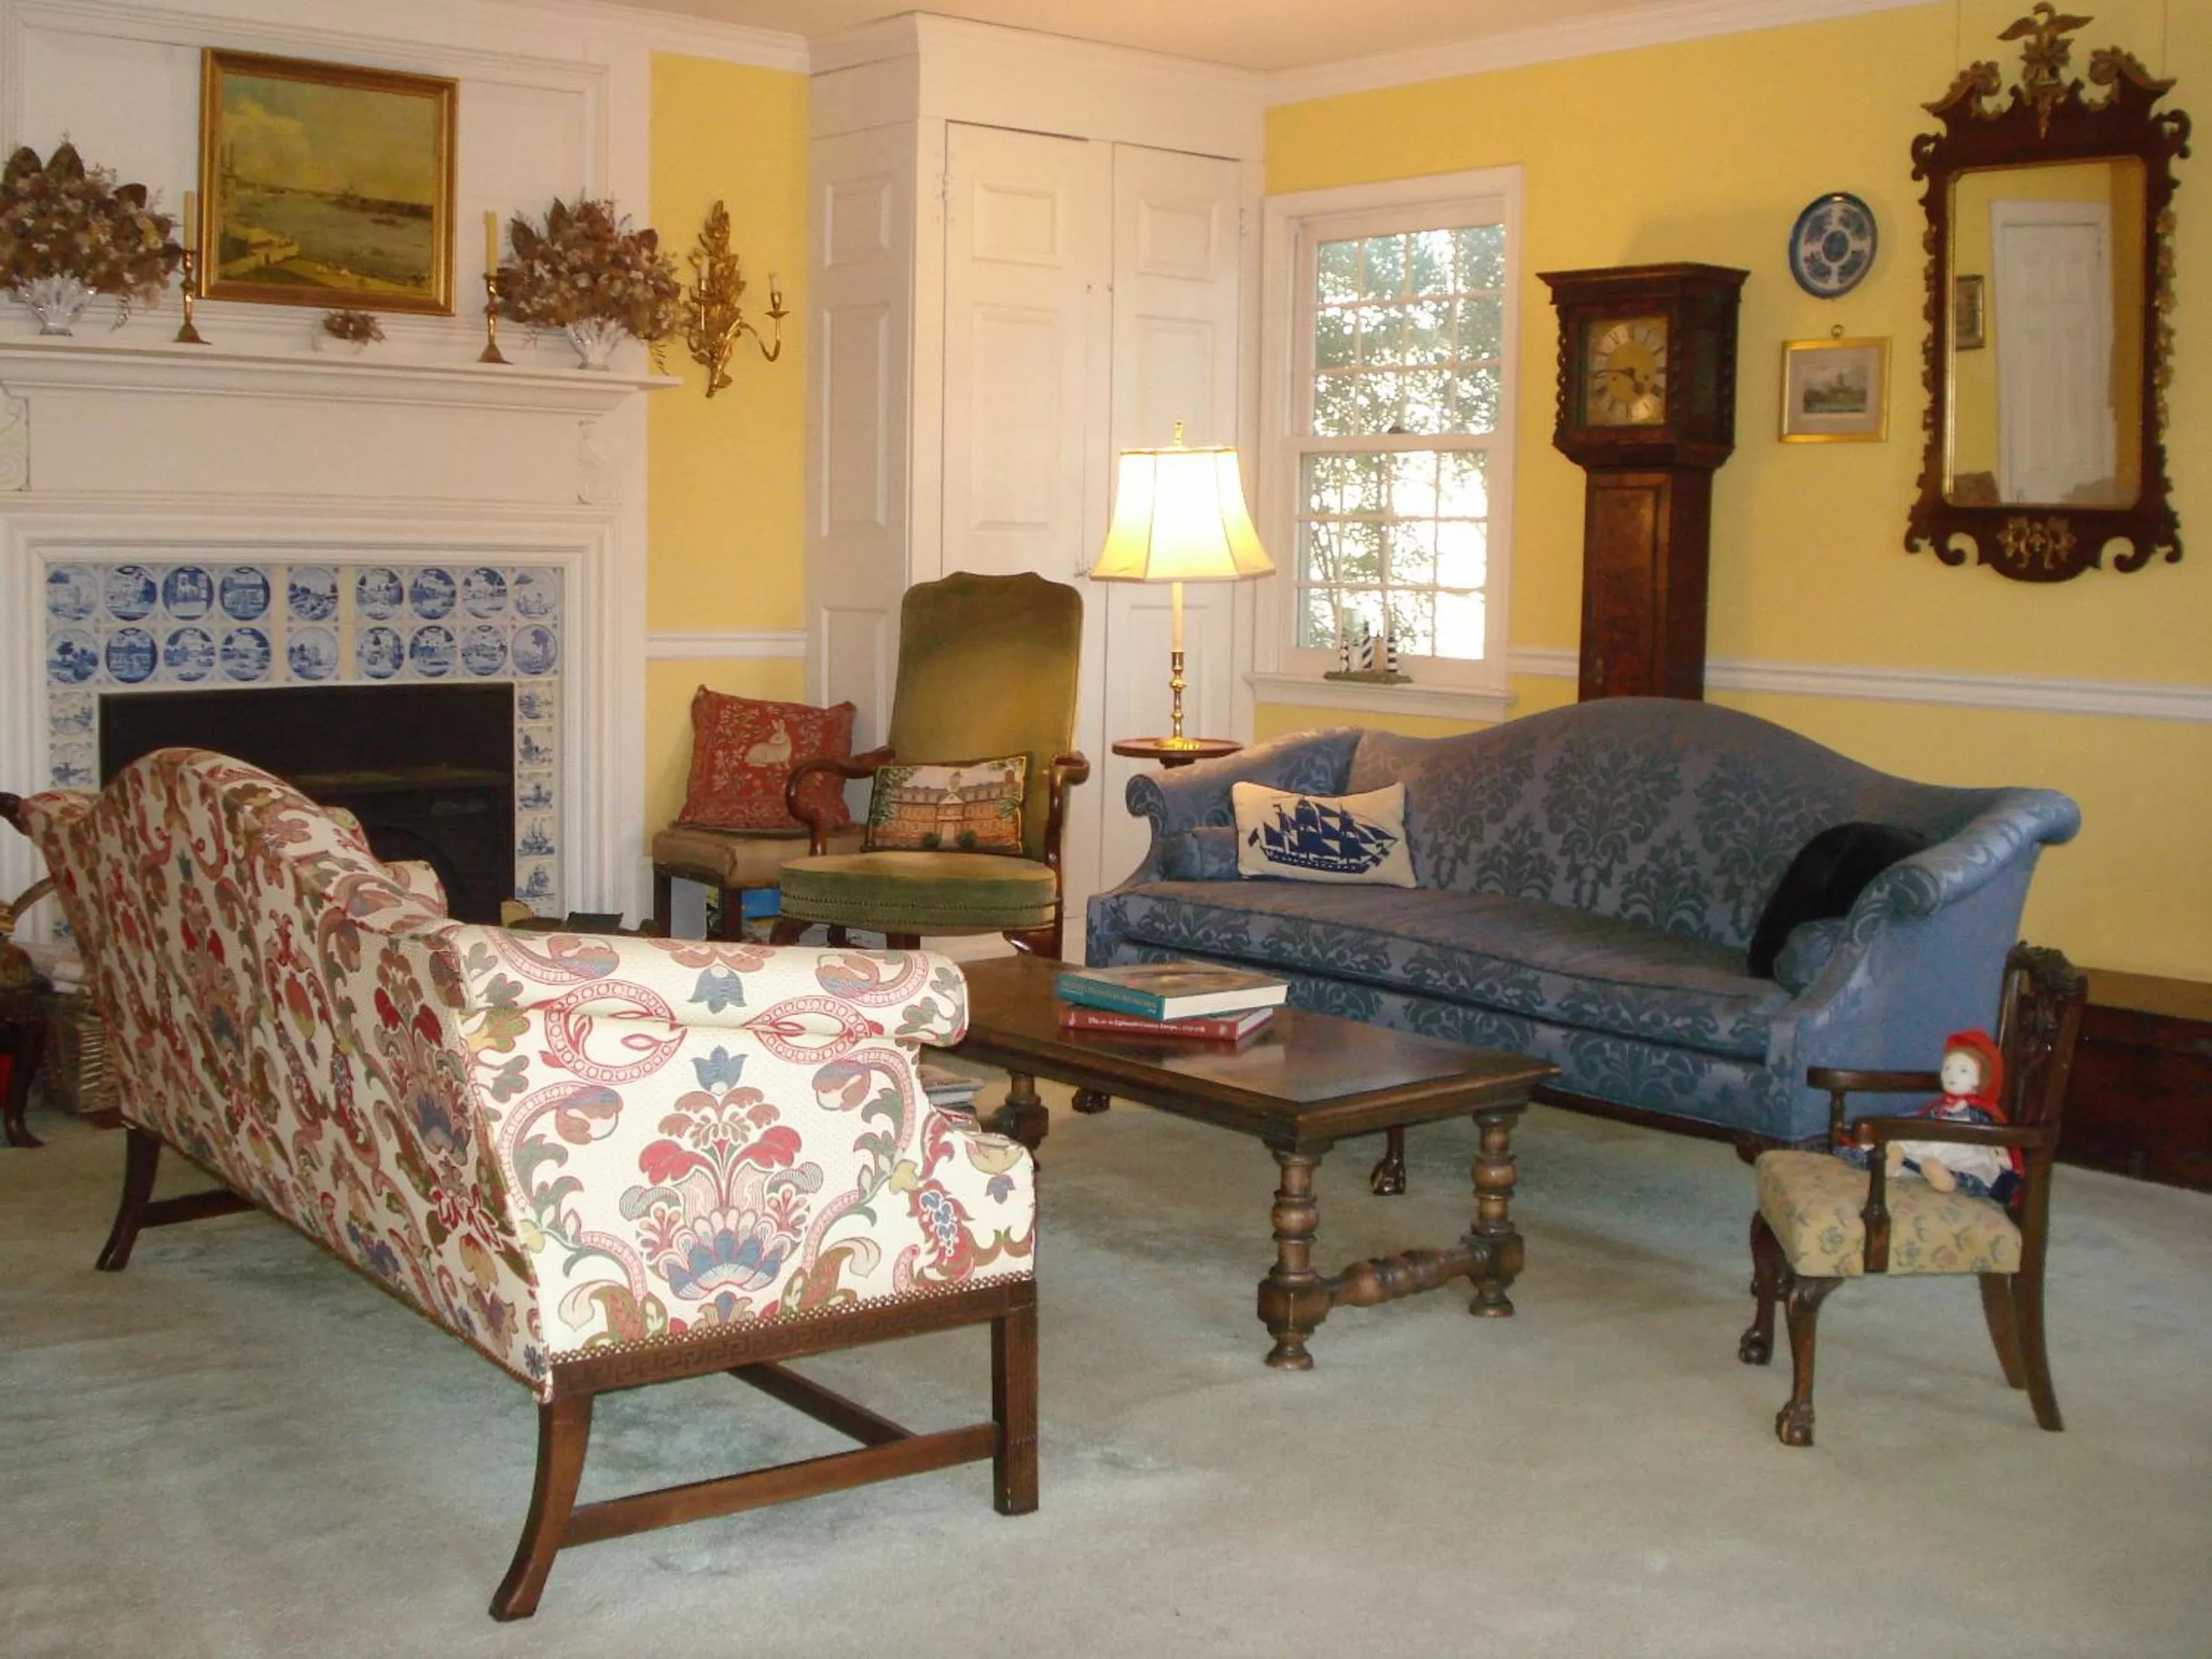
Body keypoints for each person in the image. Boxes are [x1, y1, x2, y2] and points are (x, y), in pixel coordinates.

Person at [1843, 1029, 2020, 1203]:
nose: (1952, 1075)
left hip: (1963, 1149)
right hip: (1935, 1140)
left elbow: (1994, 1134)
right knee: (1907, 1143)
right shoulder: (1940, 1106)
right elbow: (1924, 1117)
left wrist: (2003, 1155)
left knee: (1977, 1168)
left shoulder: (1979, 1111)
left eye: (1963, 1070)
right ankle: (1895, 1159)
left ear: (1978, 1079)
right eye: (1947, 1068)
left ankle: (1947, 1178)